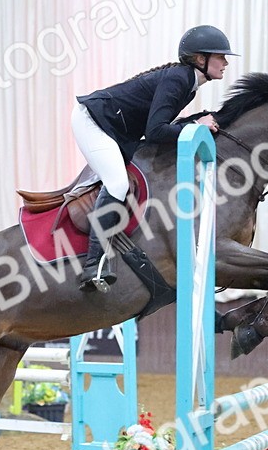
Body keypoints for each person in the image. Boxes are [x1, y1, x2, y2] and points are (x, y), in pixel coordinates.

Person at [72, 25, 237, 291]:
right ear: (200, 59)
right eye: (220, 56)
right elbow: (156, 131)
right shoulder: (179, 79)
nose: (226, 62)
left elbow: (159, 127)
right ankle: (94, 264)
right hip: (93, 121)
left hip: (117, 128)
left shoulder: (188, 84)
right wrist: (197, 126)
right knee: (117, 184)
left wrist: (196, 121)